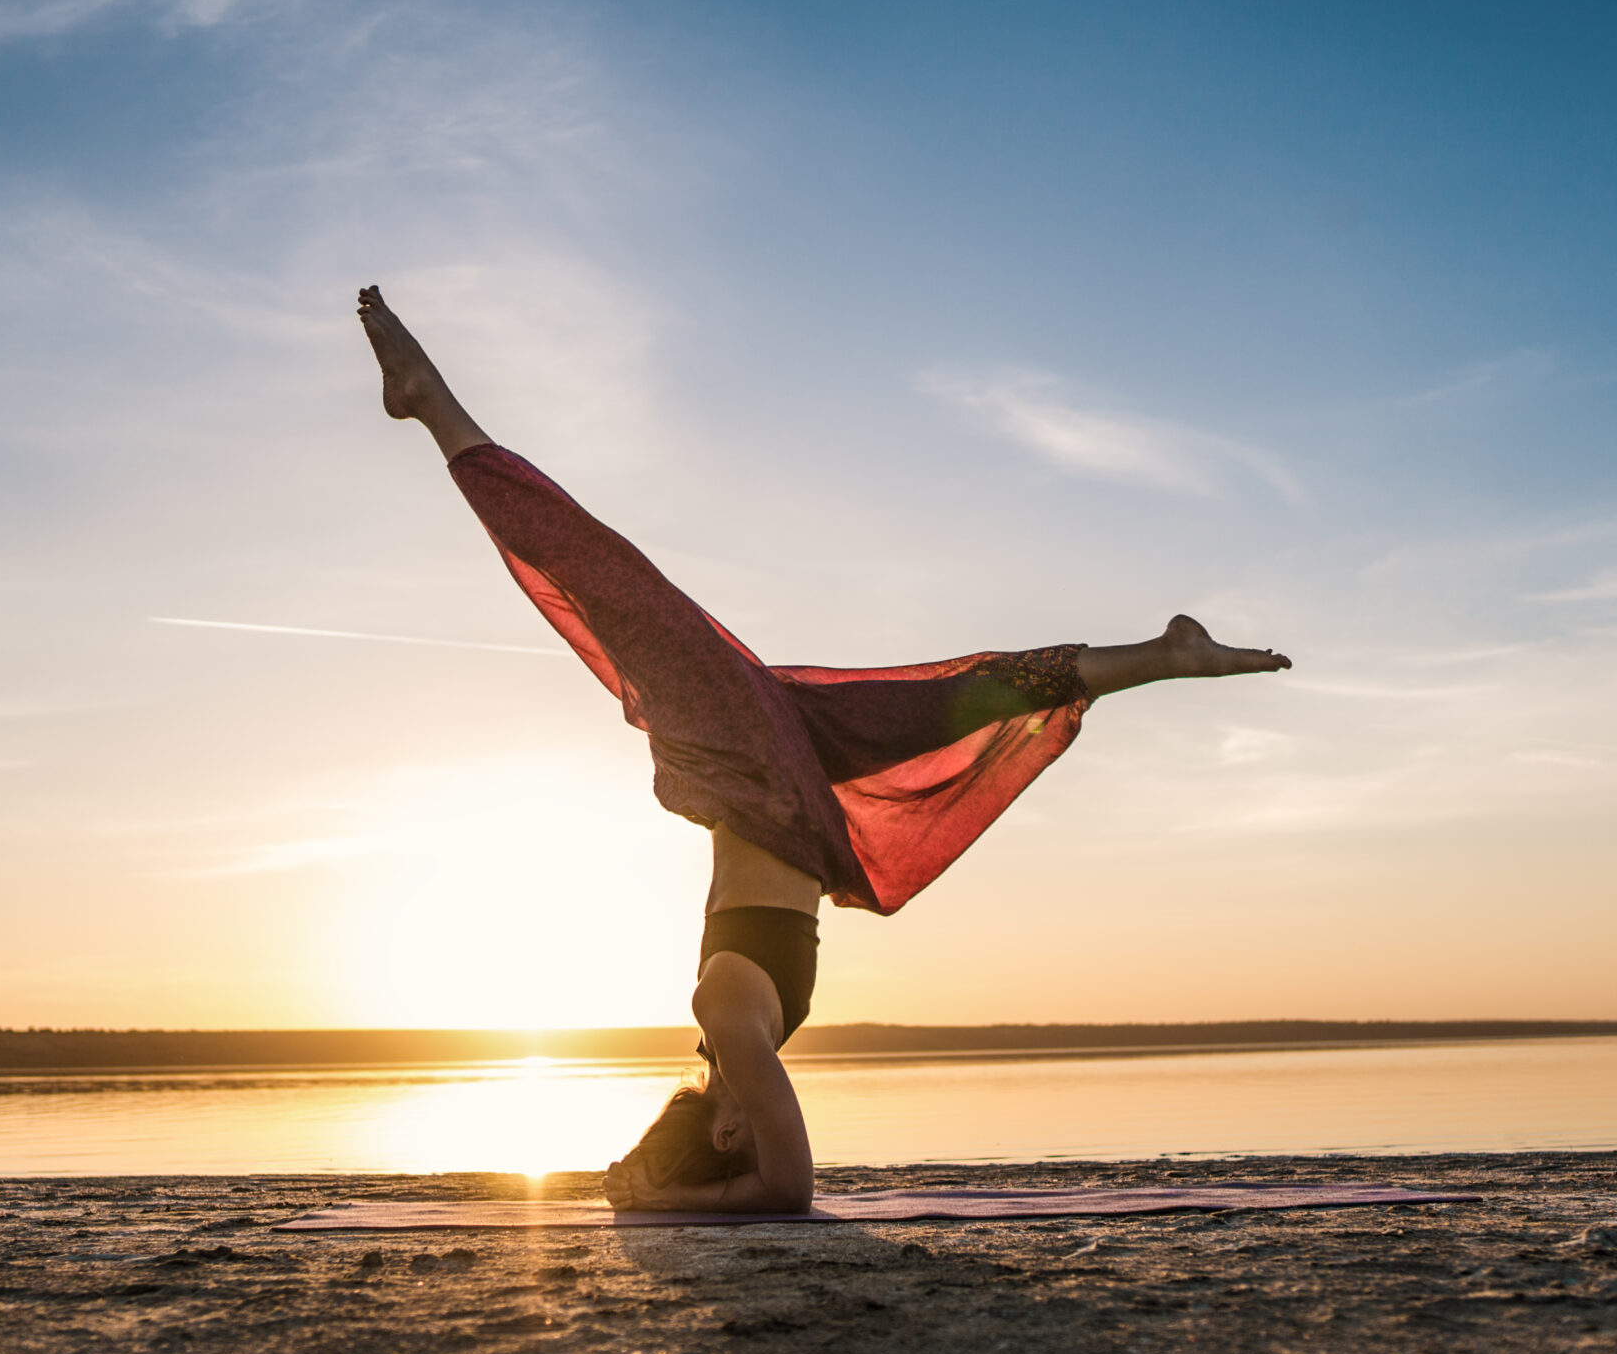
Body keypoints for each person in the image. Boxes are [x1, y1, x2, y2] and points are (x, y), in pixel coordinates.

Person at [358, 285, 1290, 1216]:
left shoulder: (746, 1026)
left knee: (953, 700)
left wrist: (653, 1188)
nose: (671, 1108)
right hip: (762, 773)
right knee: (614, 586)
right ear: (723, 1134)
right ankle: (433, 401)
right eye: (664, 1132)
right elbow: (790, 1190)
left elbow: (766, 1171)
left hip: (780, 780)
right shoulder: (732, 1023)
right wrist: (661, 1204)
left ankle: (1167, 657)